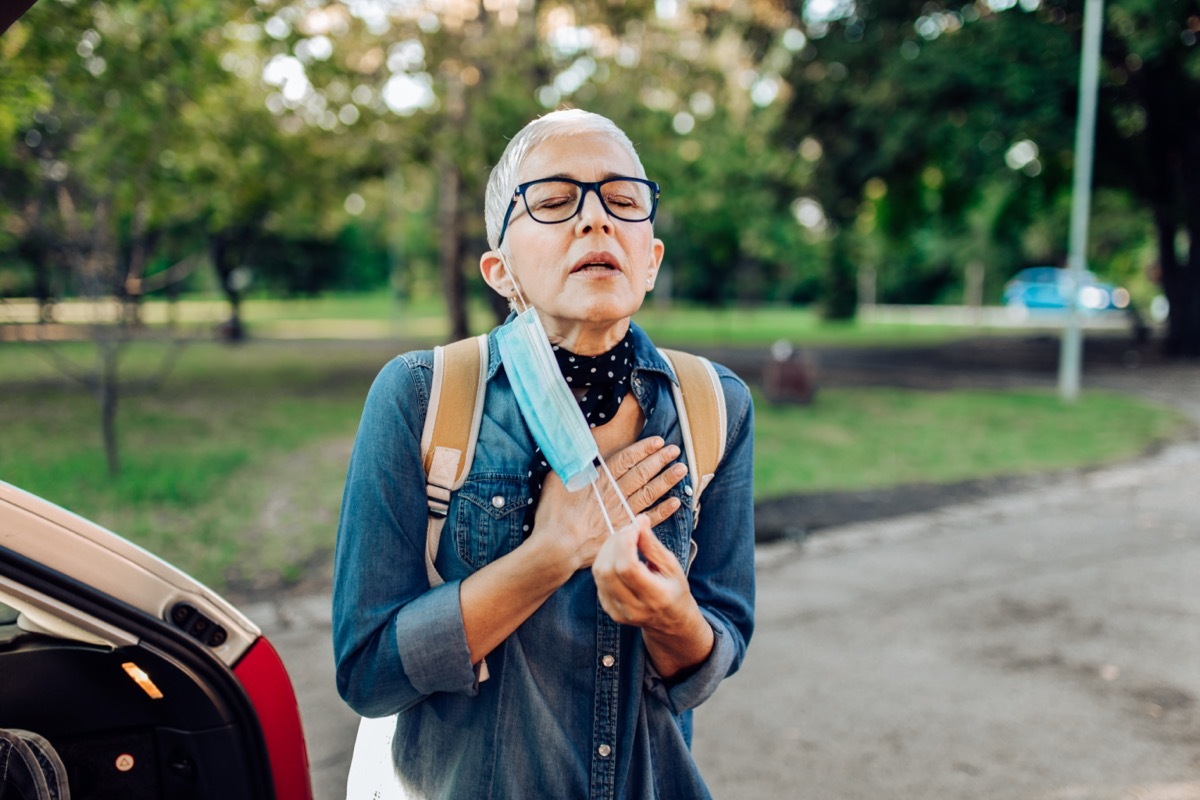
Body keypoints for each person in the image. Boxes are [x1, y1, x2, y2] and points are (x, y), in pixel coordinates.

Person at [332, 109, 755, 799]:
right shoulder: (419, 396)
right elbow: (368, 673)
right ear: (501, 271)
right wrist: (553, 550)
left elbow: (712, 660)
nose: (596, 221)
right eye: (556, 202)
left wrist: (668, 612)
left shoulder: (715, 406)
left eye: (623, 201)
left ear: (650, 259)